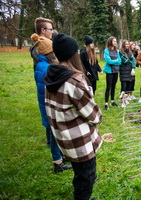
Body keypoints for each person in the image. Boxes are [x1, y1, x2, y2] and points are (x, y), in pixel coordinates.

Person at [44, 33, 102, 200]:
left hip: (64, 140)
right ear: (73, 54)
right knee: (87, 178)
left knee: (80, 174)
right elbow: (93, 114)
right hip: (80, 143)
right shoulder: (74, 82)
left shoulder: (50, 77)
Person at [30, 33, 72, 173]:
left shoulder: (41, 65)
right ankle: (58, 164)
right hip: (49, 107)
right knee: (55, 135)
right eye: (53, 52)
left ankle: (60, 156)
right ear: (49, 53)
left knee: (55, 133)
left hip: (46, 106)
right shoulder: (46, 68)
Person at [30, 17, 54, 146]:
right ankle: (50, 141)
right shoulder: (38, 46)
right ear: (43, 30)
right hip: (43, 79)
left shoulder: (46, 43)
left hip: (43, 77)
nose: (52, 31)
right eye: (50, 29)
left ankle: (50, 140)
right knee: (47, 110)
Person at [103, 36, 122, 110]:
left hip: (116, 71)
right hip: (109, 71)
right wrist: (116, 61)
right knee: (108, 87)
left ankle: (112, 101)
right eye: (114, 41)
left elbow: (120, 61)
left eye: (116, 41)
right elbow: (108, 61)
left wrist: (115, 61)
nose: (115, 42)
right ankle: (106, 104)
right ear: (110, 42)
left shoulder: (116, 51)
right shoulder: (106, 50)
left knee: (114, 86)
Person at [119, 40, 136, 107]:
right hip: (123, 71)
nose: (127, 45)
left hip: (129, 71)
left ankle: (125, 99)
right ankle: (122, 102)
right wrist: (132, 63)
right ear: (123, 45)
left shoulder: (130, 52)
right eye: (126, 44)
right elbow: (126, 61)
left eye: (128, 44)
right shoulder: (121, 52)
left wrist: (133, 68)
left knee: (128, 87)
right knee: (124, 87)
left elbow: (134, 60)